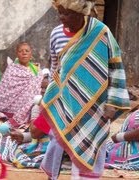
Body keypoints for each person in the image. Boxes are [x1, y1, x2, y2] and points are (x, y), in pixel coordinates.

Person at [40, 0, 131, 179]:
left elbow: (115, 66)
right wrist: (50, 92)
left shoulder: (100, 33)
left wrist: (113, 101)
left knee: (91, 146)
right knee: (57, 143)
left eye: (67, 14)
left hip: (96, 106)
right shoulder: (56, 34)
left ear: (82, 13)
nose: (62, 18)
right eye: (60, 13)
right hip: (65, 102)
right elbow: (56, 68)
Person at [0, 77, 50, 169]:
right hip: (37, 139)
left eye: (47, 88)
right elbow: (35, 133)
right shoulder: (38, 106)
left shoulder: (52, 107)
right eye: (42, 88)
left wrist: (39, 109)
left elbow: (35, 132)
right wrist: (23, 136)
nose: (43, 91)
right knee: (5, 138)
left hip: (50, 144)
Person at [0, 42, 44, 129]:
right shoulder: (12, 69)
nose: (24, 53)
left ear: (31, 53)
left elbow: (39, 86)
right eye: (21, 51)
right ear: (17, 54)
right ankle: (13, 120)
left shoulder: (36, 70)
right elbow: (4, 90)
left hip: (32, 107)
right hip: (11, 109)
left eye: (27, 51)